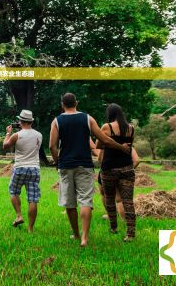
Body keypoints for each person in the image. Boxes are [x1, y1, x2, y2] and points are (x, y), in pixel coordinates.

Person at [49, 93, 130, 247]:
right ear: (76, 103)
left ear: (62, 104)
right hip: (85, 165)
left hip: (66, 165)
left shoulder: (56, 121)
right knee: (85, 200)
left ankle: (76, 233)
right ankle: (85, 238)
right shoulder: (88, 118)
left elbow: (52, 146)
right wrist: (121, 147)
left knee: (70, 202)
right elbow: (104, 139)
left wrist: (57, 161)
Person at [98, 103, 138, 242]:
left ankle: (114, 227)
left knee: (109, 198)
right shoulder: (131, 128)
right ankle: (131, 234)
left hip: (109, 168)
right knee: (128, 201)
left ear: (110, 114)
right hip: (127, 167)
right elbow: (129, 147)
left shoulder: (106, 127)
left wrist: (110, 143)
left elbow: (98, 145)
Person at [3, 109, 43, 232]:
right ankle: (30, 228)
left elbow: (5, 146)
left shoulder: (17, 135)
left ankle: (19, 215)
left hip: (20, 167)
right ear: (31, 121)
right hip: (34, 168)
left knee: (13, 191)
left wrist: (8, 133)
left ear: (20, 121)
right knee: (33, 199)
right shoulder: (39, 135)